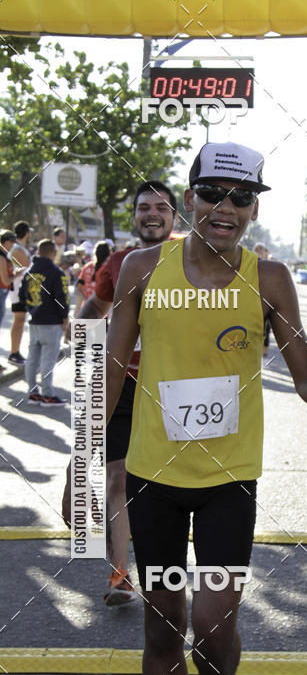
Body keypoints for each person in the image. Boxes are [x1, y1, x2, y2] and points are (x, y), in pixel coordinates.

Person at [100, 141, 307, 675]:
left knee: (214, 624)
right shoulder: (139, 269)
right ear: (191, 198)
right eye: (213, 194)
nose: (226, 209)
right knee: (162, 627)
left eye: (241, 198)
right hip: (155, 478)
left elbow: (305, 372)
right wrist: (83, 458)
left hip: (227, 481)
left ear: (253, 208)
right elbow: (113, 373)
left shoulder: (269, 277)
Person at [64, 181, 177, 606]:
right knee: (118, 477)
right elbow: (95, 308)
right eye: (144, 206)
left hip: (171, 389)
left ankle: (165, 569)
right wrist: (76, 338)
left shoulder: (191, 261)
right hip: (122, 385)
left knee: (169, 483)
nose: (152, 213)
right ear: (134, 215)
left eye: (161, 207)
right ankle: (119, 573)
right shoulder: (116, 262)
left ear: (173, 216)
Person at [20, 239, 69, 406]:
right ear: (54, 253)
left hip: (34, 320)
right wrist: (65, 317)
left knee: (32, 358)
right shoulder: (56, 272)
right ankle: (48, 394)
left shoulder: (29, 273)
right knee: (48, 359)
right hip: (52, 321)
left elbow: (22, 296)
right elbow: (61, 297)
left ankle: (33, 392)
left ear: (38, 252)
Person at [8, 221, 32, 364]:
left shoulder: (19, 247)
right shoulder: (17, 248)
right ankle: (14, 352)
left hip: (21, 290)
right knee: (19, 321)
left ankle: (15, 351)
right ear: (26, 233)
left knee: (20, 321)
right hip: (18, 290)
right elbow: (28, 267)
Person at [74, 241, 111, 316]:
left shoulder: (87, 267)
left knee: (83, 327)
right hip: (101, 312)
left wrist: (86, 299)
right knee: (99, 328)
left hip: (85, 310)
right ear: (108, 254)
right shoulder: (107, 269)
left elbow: (79, 287)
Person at [0, 230, 16, 371]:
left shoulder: (4, 256)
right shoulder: (1, 257)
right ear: (4, 241)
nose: (13, 245)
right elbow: (5, 279)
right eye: (11, 241)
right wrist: (18, 274)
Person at [253, 242, 271, 357]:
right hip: (252, 302)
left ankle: (264, 357)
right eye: (257, 249)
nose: (259, 251)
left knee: (266, 330)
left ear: (266, 252)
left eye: (262, 249)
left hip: (266, 302)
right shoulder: (247, 264)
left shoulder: (271, 267)